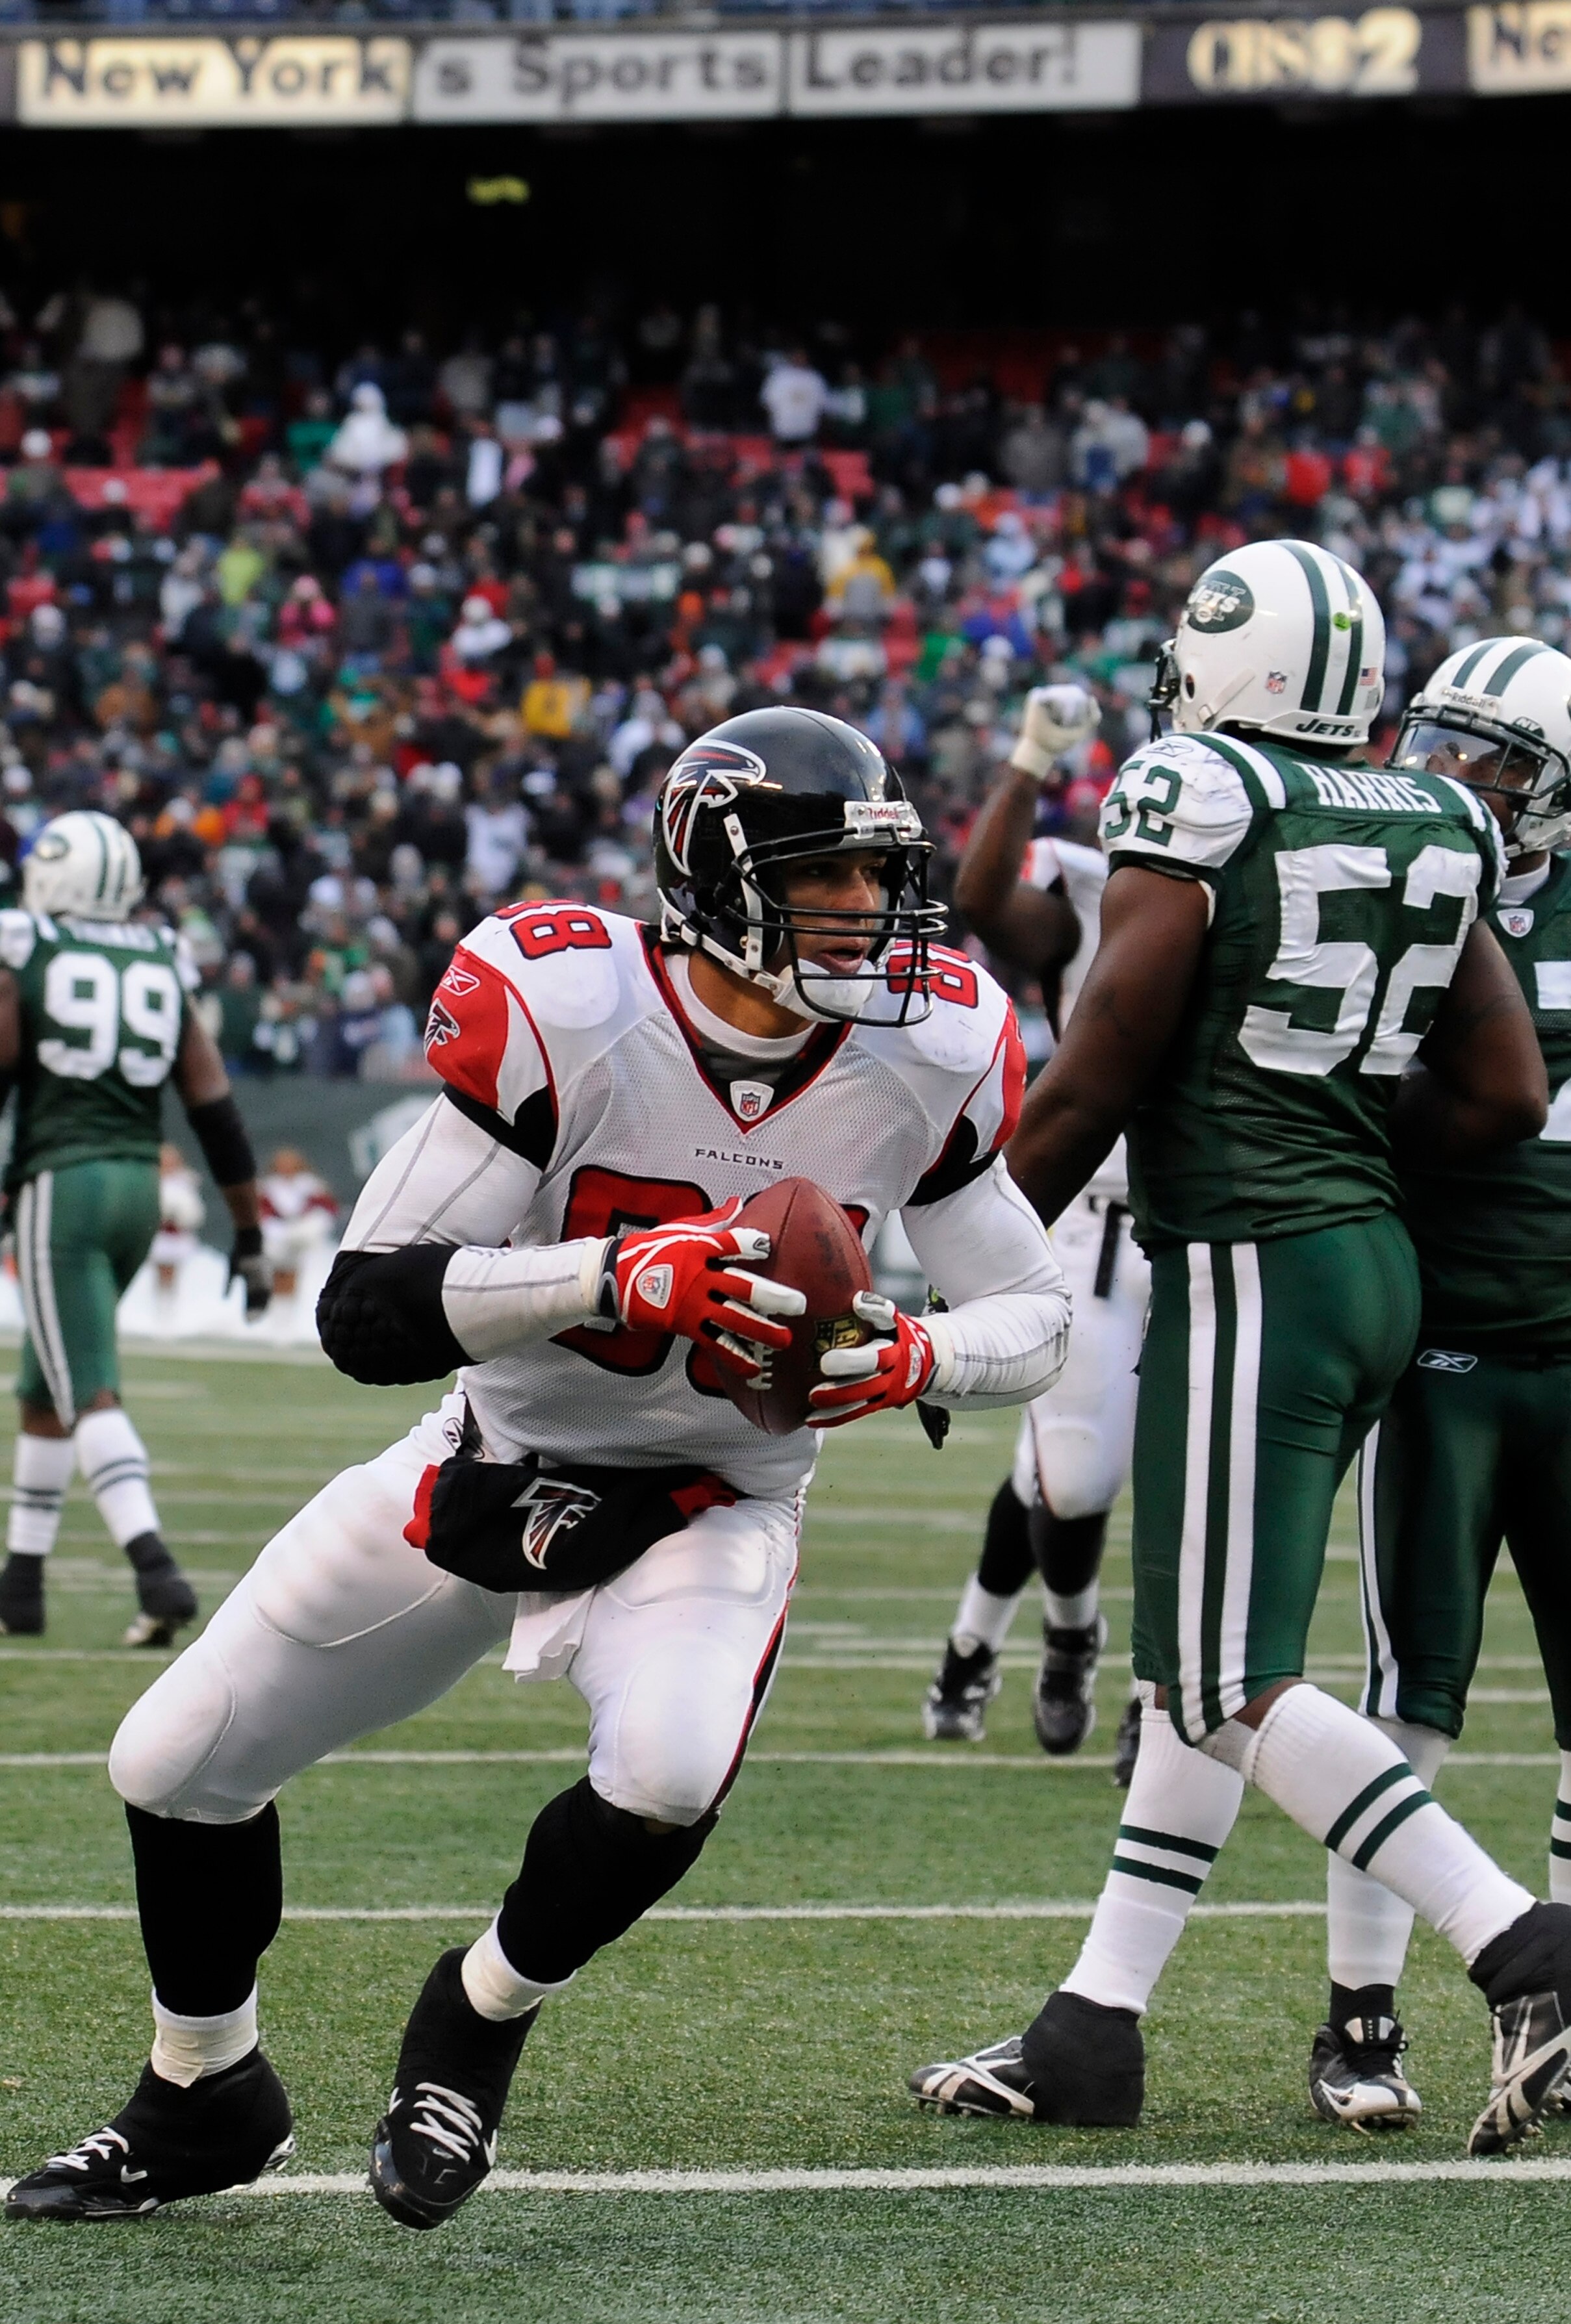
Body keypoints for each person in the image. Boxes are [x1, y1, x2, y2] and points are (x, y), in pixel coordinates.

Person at [6, 708, 1071, 2229]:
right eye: (825, 873)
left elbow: (1036, 1316)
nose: (866, 908)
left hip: (713, 1497)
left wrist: (919, 1358)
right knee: (172, 1765)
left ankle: (478, 2015)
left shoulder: (927, 1044)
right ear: (712, 876)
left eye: (875, 874)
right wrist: (611, 1275)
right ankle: (204, 2089)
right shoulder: (572, 1002)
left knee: (665, 1770)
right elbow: (364, 1307)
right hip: (491, 1455)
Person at [909, 540, 1571, 2159]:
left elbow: (1090, 1083)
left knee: (1220, 1683)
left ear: (1233, 664)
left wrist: (956, 1288)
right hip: (1367, 1270)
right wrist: (1344, 1142)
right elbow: (1498, 1097)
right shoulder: (1431, 825)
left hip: (1252, 1262)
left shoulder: (1202, 792)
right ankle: (1093, 2029)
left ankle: (1519, 1943)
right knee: (1204, 1667)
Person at [1306, 637, 1571, 2131]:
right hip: (1447, 1350)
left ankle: (1561, 2013)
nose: (1455, 785)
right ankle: (1358, 2019)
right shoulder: (1400, 898)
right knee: (1409, 1700)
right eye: (1443, 747)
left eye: (1497, 764)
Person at [924, 682, 1147, 1780]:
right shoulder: (1096, 898)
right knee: (1074, 1473)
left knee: (1198, 1478)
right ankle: (1067, 1636)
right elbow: (981, 896)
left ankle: (1141, 1688)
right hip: (1101, 1226)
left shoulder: (1279, 893)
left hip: (1224, 1221)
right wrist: (1026, 757)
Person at [0, 814, 274, 1650]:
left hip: (64, 1184)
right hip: (137, 1191)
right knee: (47, 1385)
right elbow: (215, 1110)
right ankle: (22, 1585)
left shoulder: (28, 946)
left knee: (87, 1386)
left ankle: (155, 1566)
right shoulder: (161, 957)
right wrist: (249, 1236)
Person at [257, 1147, 338, 1301]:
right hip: (278, 1243)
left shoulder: (312, 1187)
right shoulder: (267, 1189)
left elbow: (327, 1212)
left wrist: (306, 1229)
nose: (286, 1168)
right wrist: (283, 1233)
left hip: (308, 1242)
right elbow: (262, 1217)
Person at [151, 1142, 204, 1306]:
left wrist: (179, 1217)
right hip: (155, 1235)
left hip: (177, 1236)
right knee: (157, 1273)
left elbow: (194, 1212)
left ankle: (173, 1306)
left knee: (175, 1273)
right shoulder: (150, 1181)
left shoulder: (185, 1183)